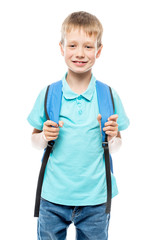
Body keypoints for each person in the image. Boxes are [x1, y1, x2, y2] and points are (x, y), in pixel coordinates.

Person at [27, 11, 130, 240]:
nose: (80, 54)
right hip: (52, 197)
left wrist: (113, 137)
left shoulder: (109, 96)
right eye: (72, 45)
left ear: (99, 50)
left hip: (95, 200)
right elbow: (34, 141)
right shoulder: (49, 94)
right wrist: (44, 136)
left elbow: (116, 146)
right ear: (62, 48)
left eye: (88, 46)